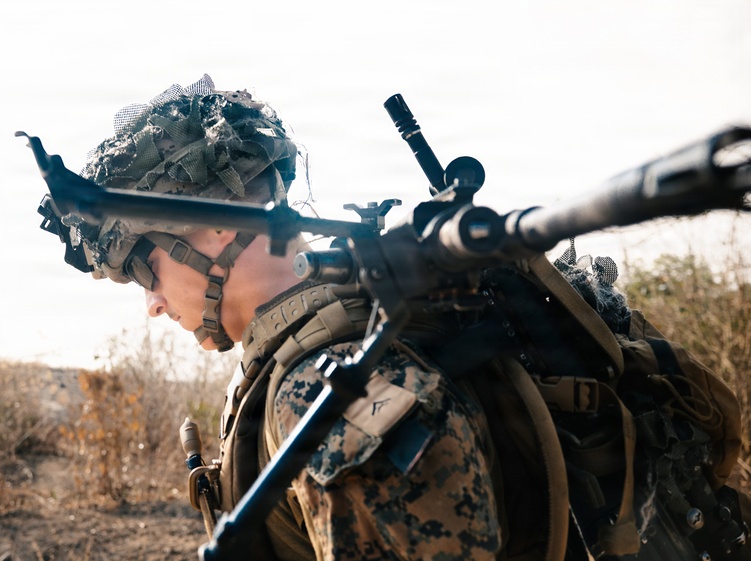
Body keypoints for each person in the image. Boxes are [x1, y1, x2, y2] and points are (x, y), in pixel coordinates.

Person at [44, 74, 502, 561]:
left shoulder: (322, 391)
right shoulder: (301, 358)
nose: (153, 304)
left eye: (145, 269)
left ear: (216, 226)